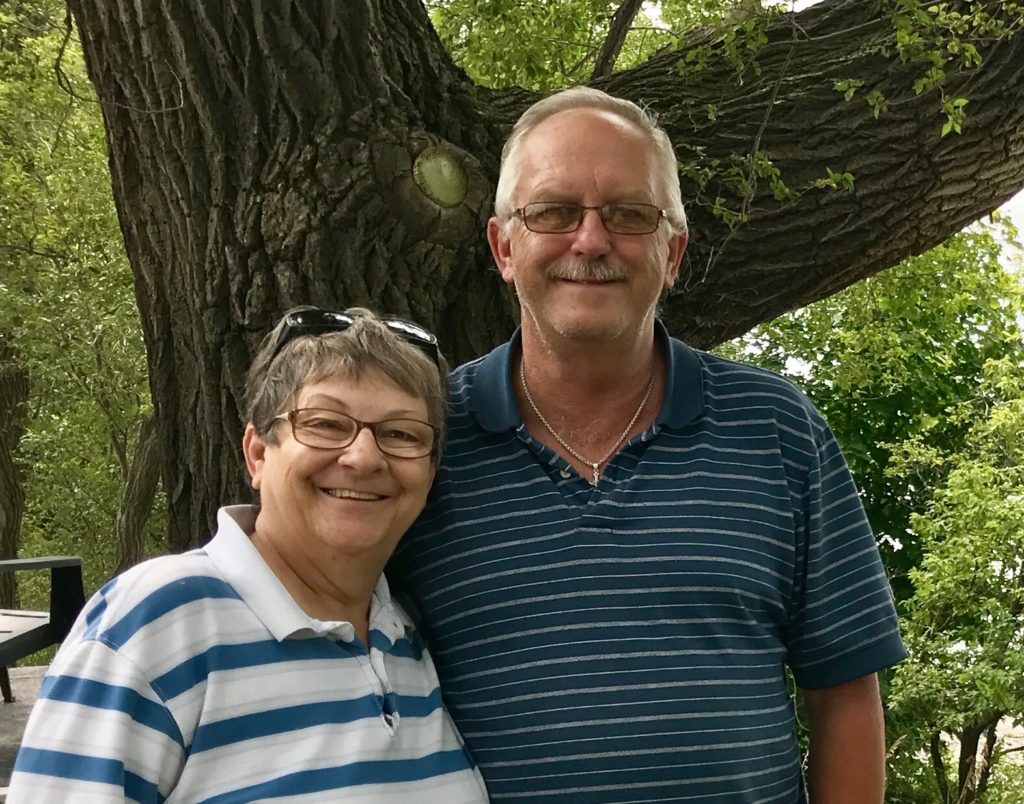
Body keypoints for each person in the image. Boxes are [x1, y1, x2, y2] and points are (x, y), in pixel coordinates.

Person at [389, 87, 906, 803]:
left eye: (630, 214)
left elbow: (844, 689)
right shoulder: (420, 441)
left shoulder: (776, 429)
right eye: (553, 212)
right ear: (504, 247)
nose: (590, 240)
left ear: (674, 253)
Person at [9, 307, 488, 803]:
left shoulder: (406, 635)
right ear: (257, 454)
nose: (364, 457)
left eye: (401, 434)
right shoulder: (159, 622)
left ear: (429, 474)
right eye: (325, 423)